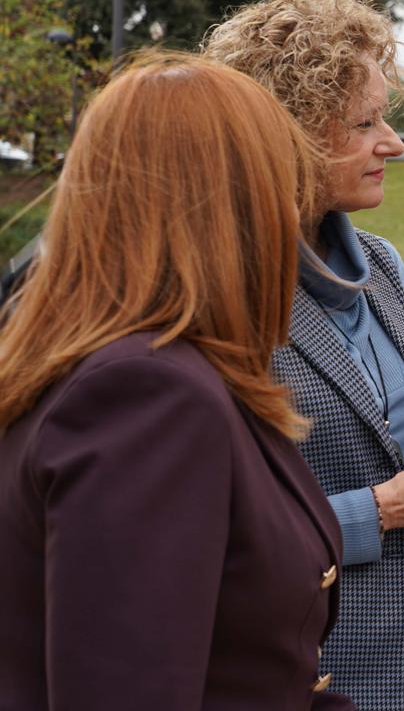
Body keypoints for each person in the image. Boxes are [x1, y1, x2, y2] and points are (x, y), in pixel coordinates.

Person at [0, 52, 354, 709]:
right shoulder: (147, 394)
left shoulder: (119, 367)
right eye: (281, 187)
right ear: (234, 210)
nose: (292, 218)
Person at [203, 0, 404, 711]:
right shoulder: (222, 296)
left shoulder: (382, 267)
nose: (393, 143)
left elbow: (403, 461)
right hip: (311, 675)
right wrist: (388, 508)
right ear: (288, 136)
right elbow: (206, 530)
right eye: (365, 123)